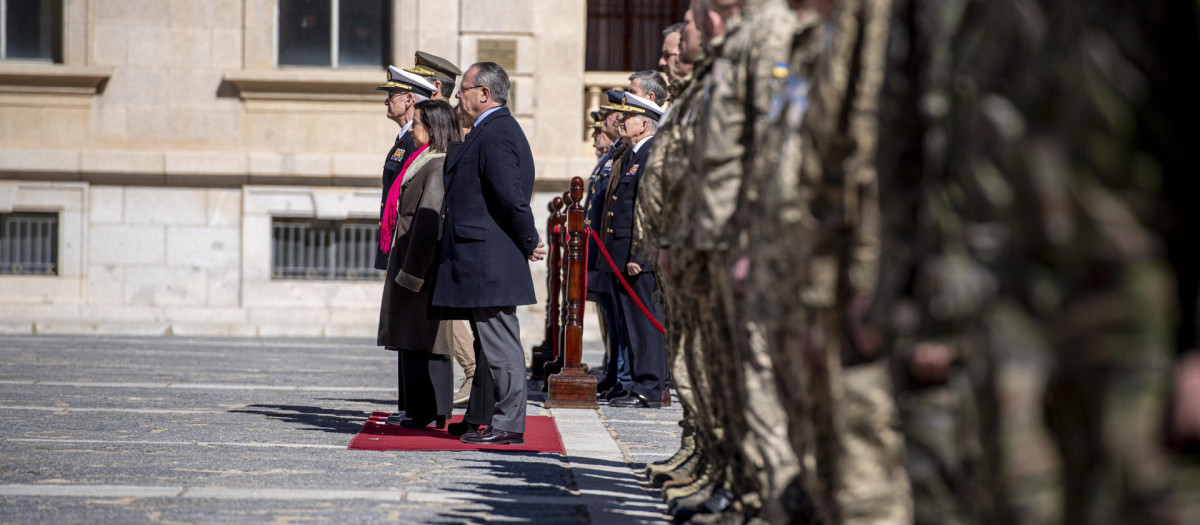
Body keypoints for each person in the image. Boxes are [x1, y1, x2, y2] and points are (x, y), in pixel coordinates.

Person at [432, 62, 545, 446]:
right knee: (491, 342)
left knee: (500, 344)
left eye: (463, 89)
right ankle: (487, 417)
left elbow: (510, 196)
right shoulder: (486, 129)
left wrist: (530, 238)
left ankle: (509, 423)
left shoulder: (496, 132)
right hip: (482, 256)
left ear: (484, 93)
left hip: (489, 258)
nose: (458, 95)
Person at [376, 99, 461, 429]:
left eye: (418, 123)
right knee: (411, 337)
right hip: (408, 257)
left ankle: (429, 409)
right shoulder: (424, 160)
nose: (412, 128)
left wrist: (413, 272)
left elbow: (427, 221)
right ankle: (419, 407)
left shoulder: (436, 164)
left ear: (435, 128)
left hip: (420, 264)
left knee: (427, 337)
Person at [405, 51, 478, 409]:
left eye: (418, 87)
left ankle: (473, 368)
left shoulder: (451, 124)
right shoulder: (439, 120)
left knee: (445, 311)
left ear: (435, 87)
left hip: (445, 232)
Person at [373, 66, 436, 425]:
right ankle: (409, 404)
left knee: (414, 326)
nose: (386, 100)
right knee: (402, 325)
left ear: (410, 99)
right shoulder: (403, 138)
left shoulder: (416, 140)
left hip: (410, 243)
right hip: (398, 241)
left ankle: (418, 406)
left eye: (392, 94)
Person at [601, 92, 668, 410]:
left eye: (626, 117)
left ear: (644, 123)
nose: (620, 121)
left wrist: (641, 256)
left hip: (637, 257)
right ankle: (638, 383)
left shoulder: (652, 154)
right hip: (621, 254)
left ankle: (650, 387)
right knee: (630, 322)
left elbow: (654, 209)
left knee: (644, 322)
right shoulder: (632, 154)